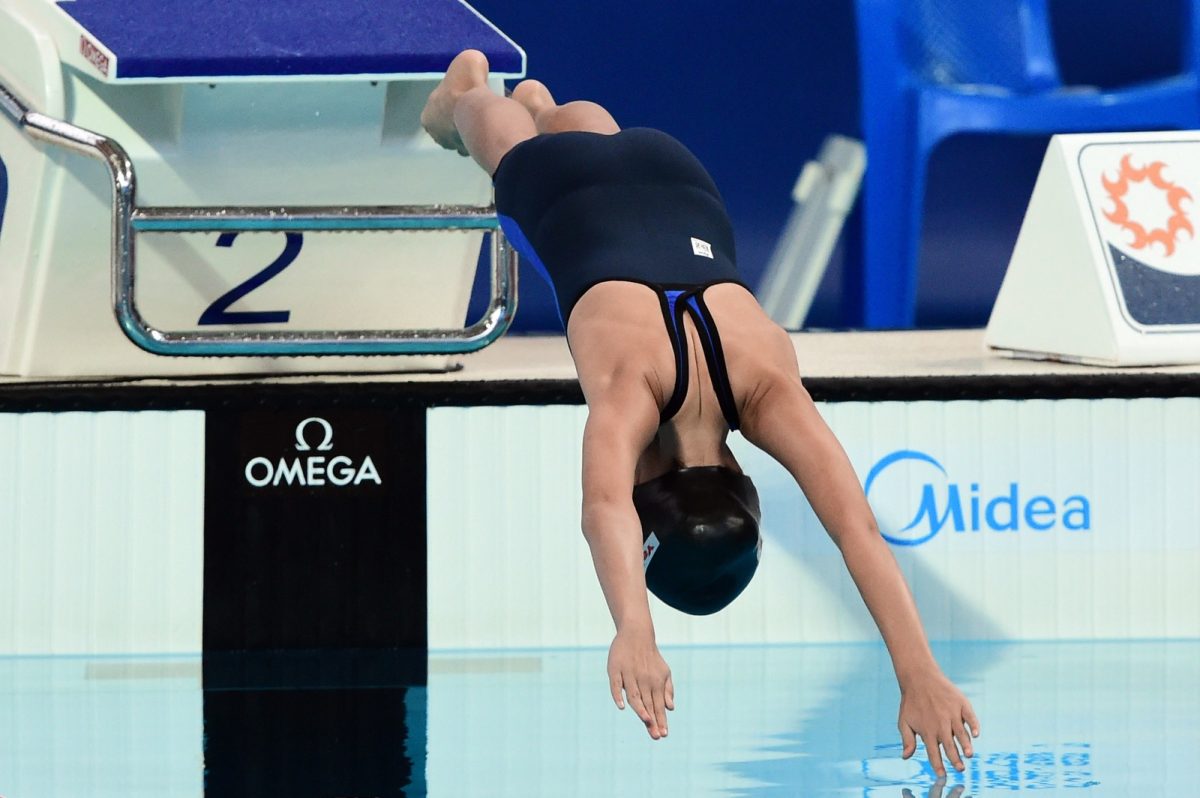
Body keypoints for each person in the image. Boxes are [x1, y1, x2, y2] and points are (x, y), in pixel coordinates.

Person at [421, 50, 980, 775]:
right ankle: (464, 98)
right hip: (570, 198)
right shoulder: (631, 387)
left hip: (673, 174)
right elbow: (602, 507)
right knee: (499, 142)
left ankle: (544, 104)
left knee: (588, 137)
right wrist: (633, 628)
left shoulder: (768, 387)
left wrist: (920, 672)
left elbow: (859, 531)